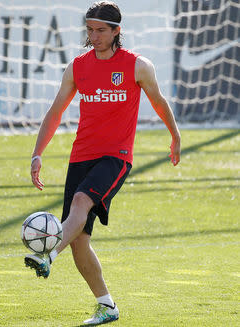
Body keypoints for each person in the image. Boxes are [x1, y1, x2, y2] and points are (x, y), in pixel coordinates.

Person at [24, 1, 181, 326]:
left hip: (116, 158)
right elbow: (56, 112)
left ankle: (46, 254)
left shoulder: (137, 66)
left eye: (100, 31)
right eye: (90, 30)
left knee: (81, 202)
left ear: (116, 31)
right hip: (80, 157)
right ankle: (106, 305)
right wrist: (38, 151)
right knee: (79, 241)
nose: (93, 37)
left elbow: (159, 100)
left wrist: (175, 136)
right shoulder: (78, 67)